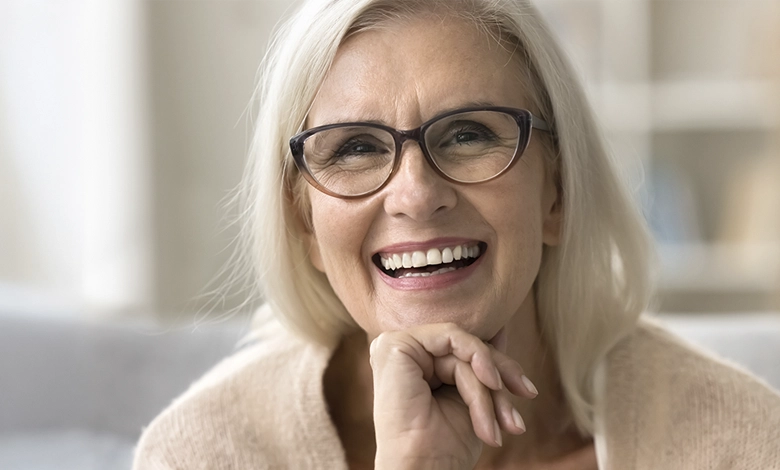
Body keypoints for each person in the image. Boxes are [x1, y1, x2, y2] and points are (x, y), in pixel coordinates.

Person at [133, 0, 780, 468]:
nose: (416, 195)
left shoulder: (734, 441)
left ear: (556, 190)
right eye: (355, 147)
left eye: (468, 134)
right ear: (303, 221)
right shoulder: (205, 452)